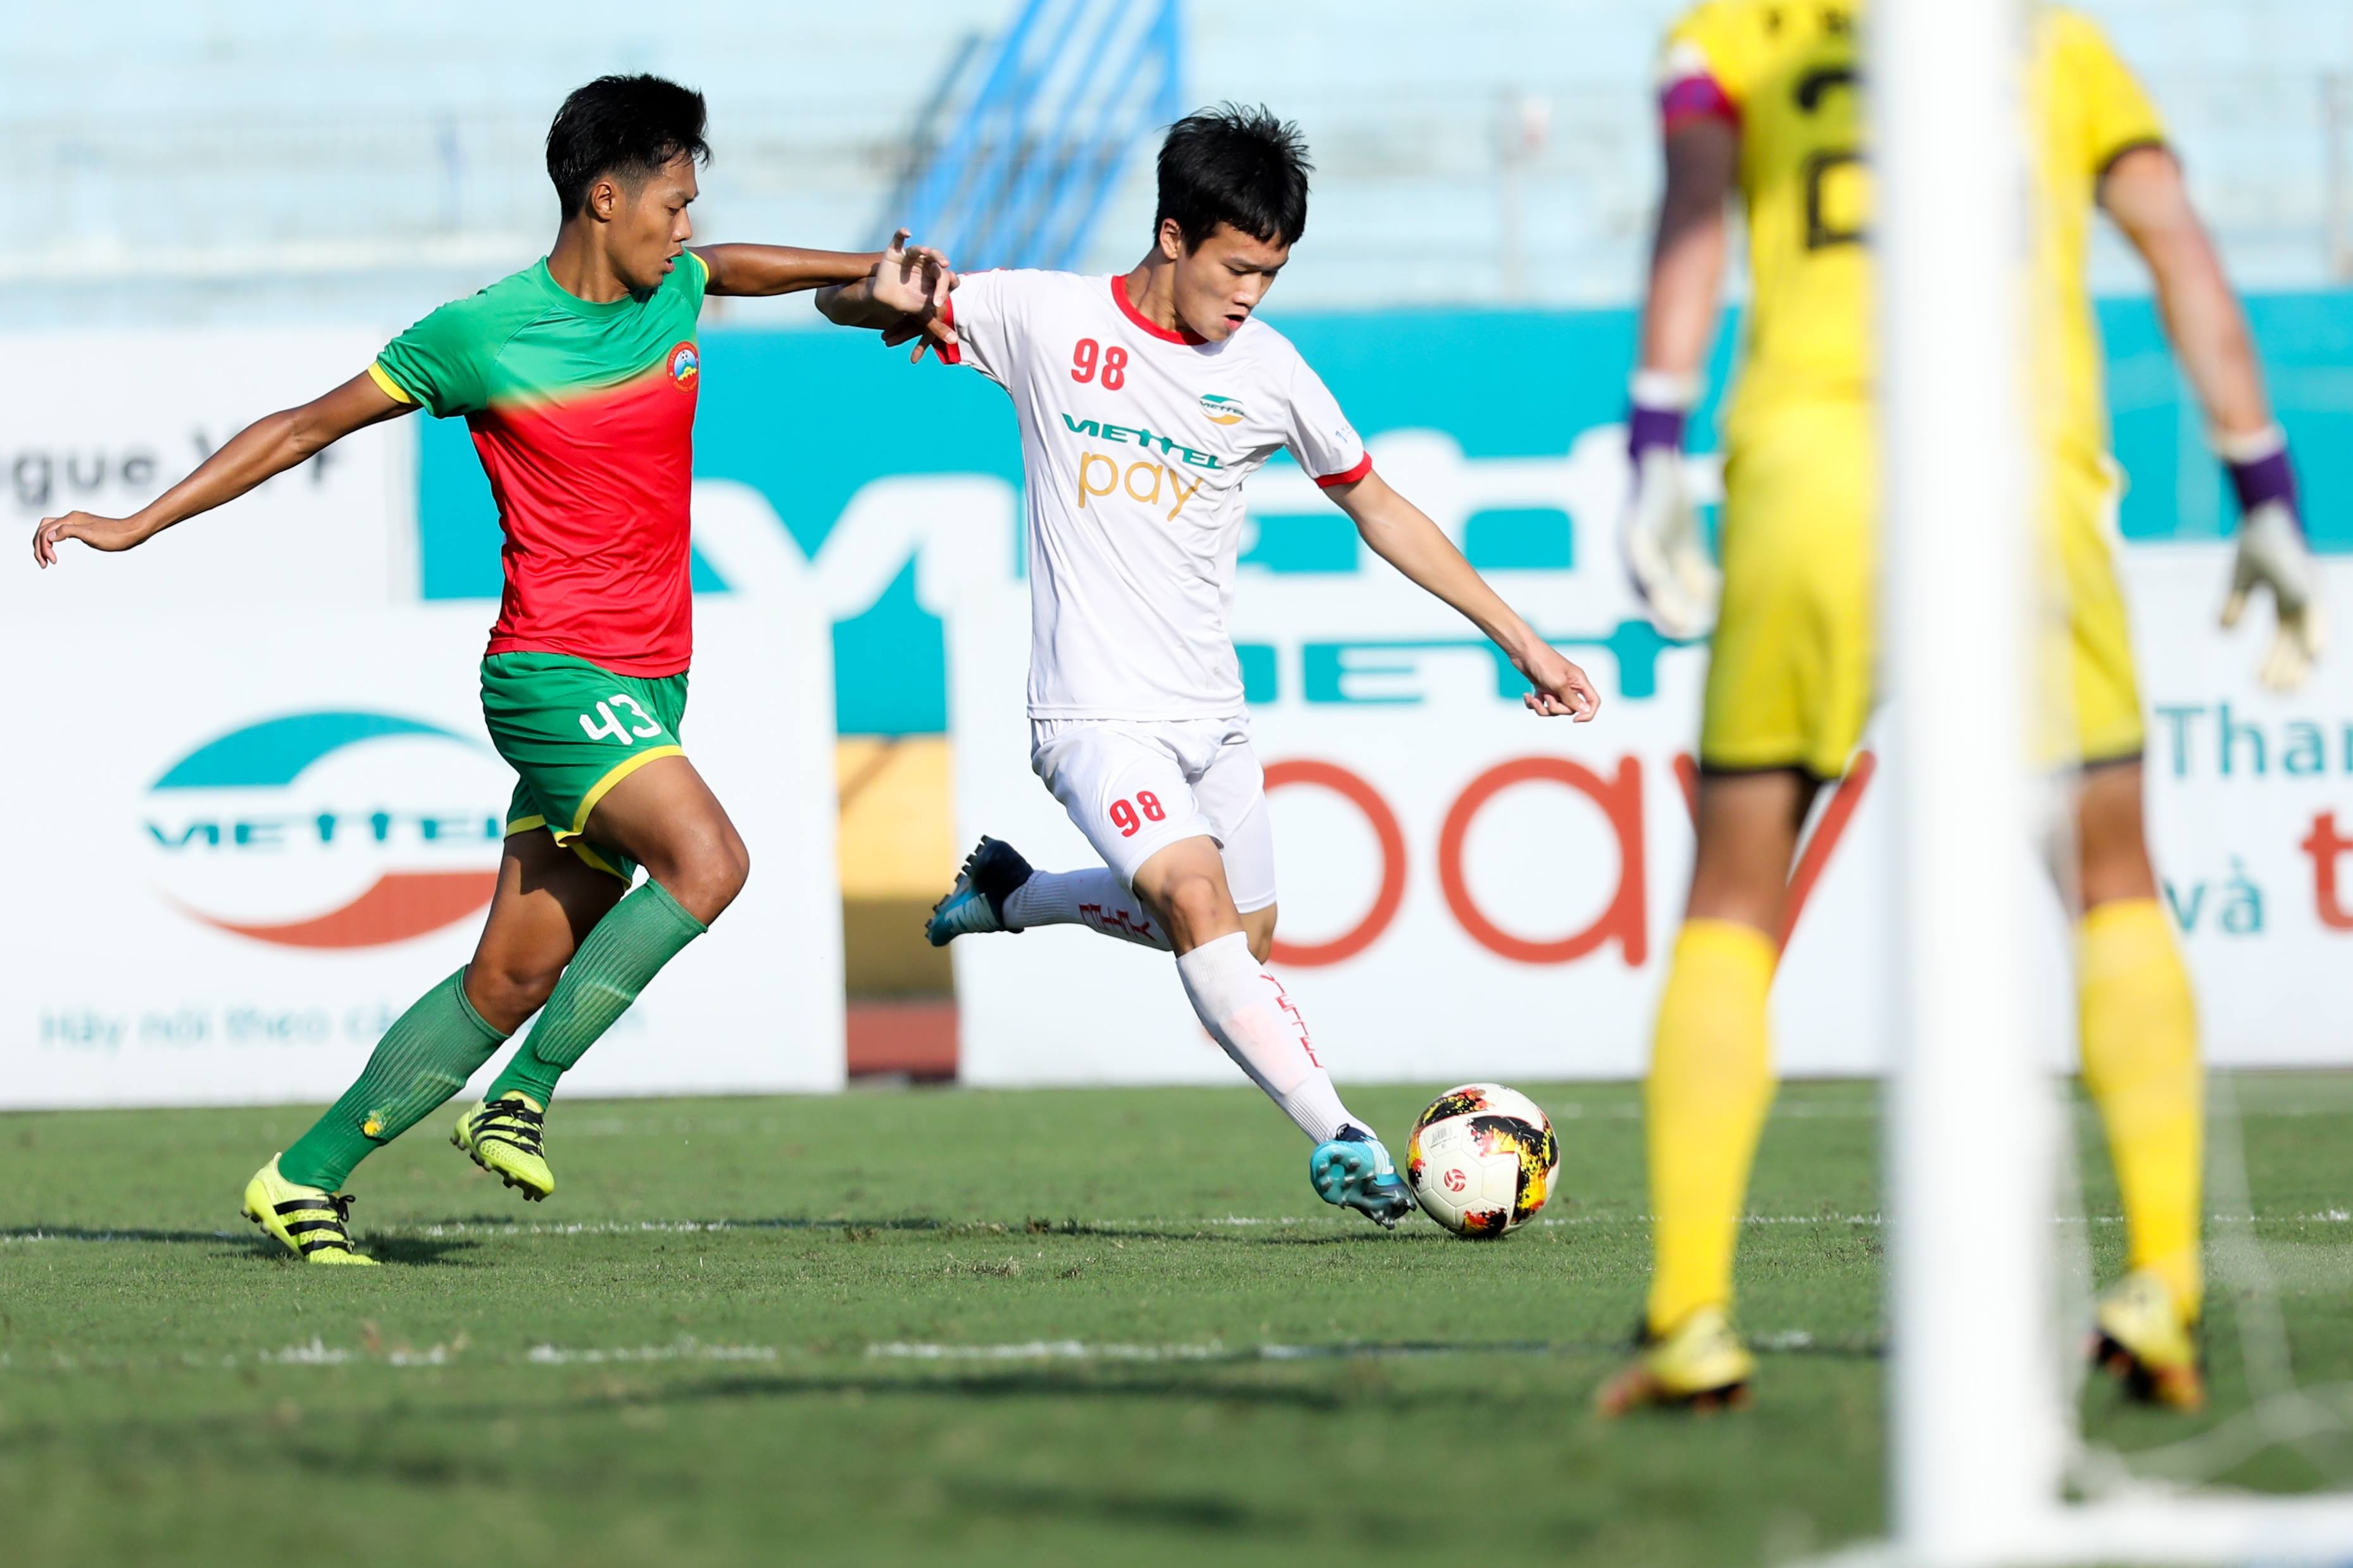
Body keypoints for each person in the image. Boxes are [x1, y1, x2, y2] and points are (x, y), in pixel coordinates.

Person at [30, 74, 949, 1264]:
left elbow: (735, 267)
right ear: (602, 198)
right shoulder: (481, 334)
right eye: (670, 200)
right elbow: (305, 425)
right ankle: (523, 1097)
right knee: (709, 861)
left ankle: (302, 1174)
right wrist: (137, 525)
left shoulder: (674, 281)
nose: (685, 222)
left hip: (648, 682)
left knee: (511, 975)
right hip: (553, 673)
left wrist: (867, 280)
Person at [1602, 1, 2322, 1408]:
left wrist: (1649, 439)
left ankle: (1689, 1313)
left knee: (1734, 897)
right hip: (2016, 470)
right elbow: (2171, 235)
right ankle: (2163, 1286)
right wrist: (2262, 486)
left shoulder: (1723, 38)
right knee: (2109, 876)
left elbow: (1694, 212)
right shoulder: (2049, 39)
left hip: (1814, 471)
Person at [817, 104, 1601, 1227]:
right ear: (1172, 235)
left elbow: (1374, 504)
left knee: (1246, 936)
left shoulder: (1268, 371)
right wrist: (867, 294)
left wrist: (1521, 637)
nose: (1249, 295)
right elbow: (855, 304)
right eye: (1237, 266)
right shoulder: (1043, 316)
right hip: (1091, 711)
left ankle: (1016, 894)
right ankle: (1346, 1137)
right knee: (1194, 899)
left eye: (1271, 276)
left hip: (1209, 710)